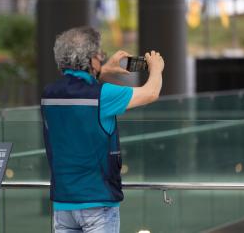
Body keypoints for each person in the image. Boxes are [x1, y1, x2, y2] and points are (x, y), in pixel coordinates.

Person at [40, 26, 164, 233]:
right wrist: (156, 67)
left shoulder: (49, 94)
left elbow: (77, 86)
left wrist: (104, 68)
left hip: (63, 203)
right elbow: (150, 93)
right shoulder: (103, 95)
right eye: (99, 55)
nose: (101, 58)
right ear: (90, 60)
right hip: (97, 202)